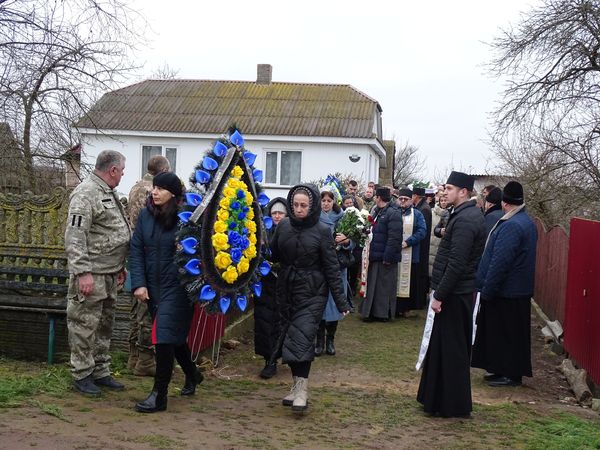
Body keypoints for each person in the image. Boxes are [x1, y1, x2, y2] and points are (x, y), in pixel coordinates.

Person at [270, 184, 350, 413]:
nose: (298, 209)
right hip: (287, 289)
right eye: (295, 205)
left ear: (312, 206)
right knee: (291, 338)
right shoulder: (284, 226)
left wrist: (341, 301)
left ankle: (302, 391)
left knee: (303, 337)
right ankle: (296, 386)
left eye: (303, 205)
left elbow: (331, 267)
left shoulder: (322, 230)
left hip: (313, 292)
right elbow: (273, 253)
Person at [130, 172, 202, 413]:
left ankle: (159, 395)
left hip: (178, 287)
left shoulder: (186, 218)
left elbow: (198, 252)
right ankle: (193, 374)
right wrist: (139, 283)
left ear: (173, 193)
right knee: (174, 337)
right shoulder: (145, 215)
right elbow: (136, 250)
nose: (155, 192)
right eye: (154, 187)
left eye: (160, 188)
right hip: (153, 287)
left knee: (162, 335)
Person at [417, 171, 486, 418]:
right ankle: (436, 399)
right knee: (442, 348)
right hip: (454, 292)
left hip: (456, 294)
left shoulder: (466, 219)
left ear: (463, 192)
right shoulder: (461, 214)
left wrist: (439, 295)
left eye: (449, 188)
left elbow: (457, 263)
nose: (444, 192)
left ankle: (452, 404)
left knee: (452, 350)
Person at [65, 150, 130, 396]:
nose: (122, 175)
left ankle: (101, 370)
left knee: (104, 325)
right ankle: (82, 374)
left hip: (110, 273)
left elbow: (111, 232)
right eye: (121, 171)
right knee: (84, 324)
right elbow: (75, 237)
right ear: (112, 170)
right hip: (92, 274)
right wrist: (82, 272)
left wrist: (120, 266)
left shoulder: (107, 192)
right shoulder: (86, 193)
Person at [472, 181, 538, 387]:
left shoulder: (512, 225)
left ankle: (511, 373)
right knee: (507, 332)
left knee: (507, 334)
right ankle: (502, 369)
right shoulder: (525, 221)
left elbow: (500, 262)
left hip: (507, 291)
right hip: (516, 290)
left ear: (505, 203)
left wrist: (487, 290)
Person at [126, 155, 171, 377]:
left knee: (136, 309)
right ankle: (145, 360)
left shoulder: (135, 187)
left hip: (134, 253)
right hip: (149, 254)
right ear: (163, 171)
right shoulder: (152, 192)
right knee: (146, 310)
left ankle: (133, 356)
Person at [315, 188, 352, 357]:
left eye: (329, 201)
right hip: (319, 267)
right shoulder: (314, 217)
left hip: (338, 267)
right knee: (320, 304)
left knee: (336, 305)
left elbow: (353, 241)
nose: (326, 204)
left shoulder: (343, 217)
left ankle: (330, 340)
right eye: (323, 200)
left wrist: (346, 241)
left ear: (334, 202)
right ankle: (319, 341)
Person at [254, 197, 288, 379]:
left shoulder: (291, 232)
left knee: (281, 322)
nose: (277, 216)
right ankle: (269, 359)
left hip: (284, 284)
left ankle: (281, 355)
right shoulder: (263, 233)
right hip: (265, 284)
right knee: (265, 321)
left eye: (280, 213)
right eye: (274, 212)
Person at [360, 187, 403, 321]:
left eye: (376, 196)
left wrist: (388, 257)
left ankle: (382, 313)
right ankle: (370, 312)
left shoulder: (393, 213)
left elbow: (394, 237)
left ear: (379, 197)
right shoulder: (377, 211)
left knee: (384, 287)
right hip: (375, 254)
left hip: (385, 256)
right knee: (373, 285)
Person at [395, 188, 427, 317]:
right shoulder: (394, 212)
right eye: (401, 198)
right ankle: (394, 306)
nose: (403, 201)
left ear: (411, 200)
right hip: (395, 254)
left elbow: (422, 231)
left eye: (406, 199)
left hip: (411, 254)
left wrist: (408, 242)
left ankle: (406, 308)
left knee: (409, 282)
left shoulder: (417, 214)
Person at [412, 187, 433, 309]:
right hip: (421, 245)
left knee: (420, 273)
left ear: (416, 196)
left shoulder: (424, 209)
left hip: (422, 246)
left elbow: (422, 229)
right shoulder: (422, 207)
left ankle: (419, 301)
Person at [428, 193, 449, 277]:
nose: (443, 202)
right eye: (441, 200)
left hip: (442, 244)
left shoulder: (451, 213)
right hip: (431, 243)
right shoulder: (432, 212)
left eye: (445, 200)